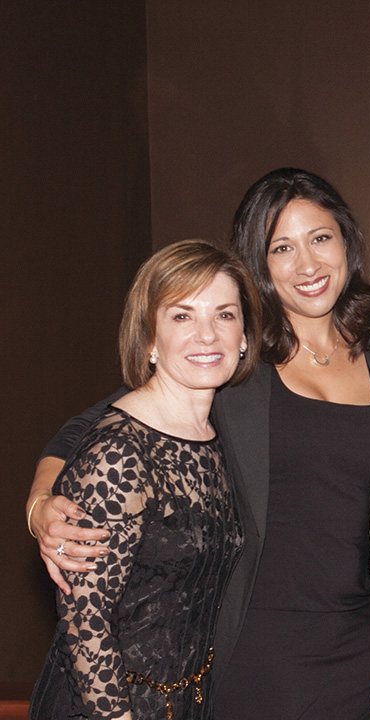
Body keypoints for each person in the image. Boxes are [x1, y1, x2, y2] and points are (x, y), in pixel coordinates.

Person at [27, 168, 370, 720]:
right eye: (282, 247)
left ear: (347, 242)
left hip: (354, 646)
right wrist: (41, 506)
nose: (308, 264)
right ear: (259, 265)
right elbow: (92, 429)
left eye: (320, 238)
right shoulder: (233, 362)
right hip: (248, 645)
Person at [29, 239, 260, 719]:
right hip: (107, 705)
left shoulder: (223, 437)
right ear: (150, 339)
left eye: (224, 314)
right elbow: (84, 622)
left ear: (244, 336)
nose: (207, 334)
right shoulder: (120, 452)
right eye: (182, 316)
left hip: (185, 700)